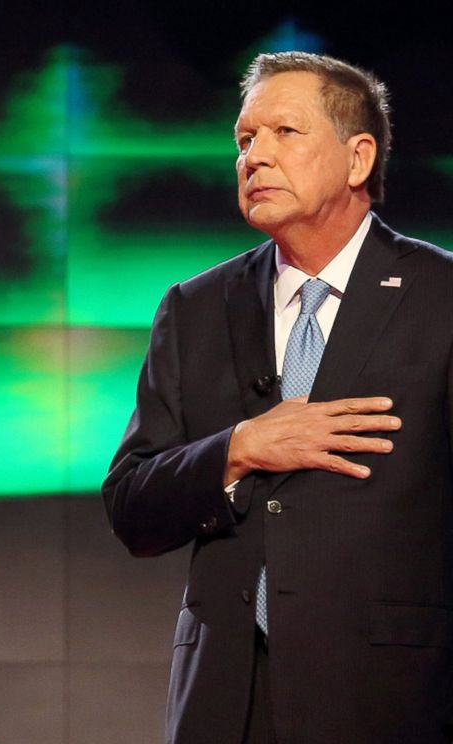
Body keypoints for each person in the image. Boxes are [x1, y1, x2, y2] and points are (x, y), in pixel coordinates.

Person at [102, 51, 453, 744]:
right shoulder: (195, 307)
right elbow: (133, 508)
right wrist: (237, 449)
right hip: (227, 699)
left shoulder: (441, 298)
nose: (254, 157)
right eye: (243, 139)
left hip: (394, 698)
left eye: (283, 133)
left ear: (358, 158)